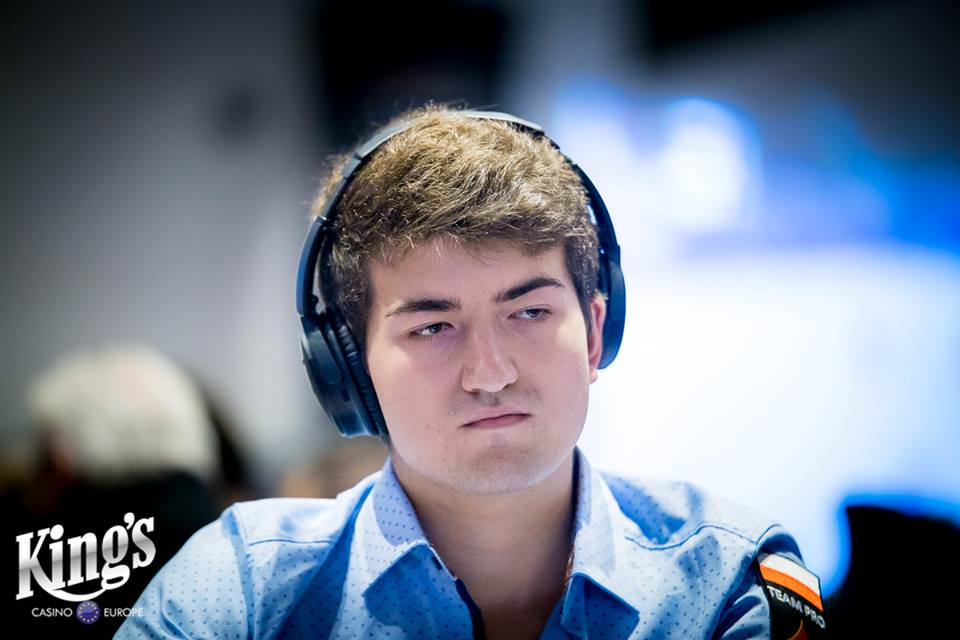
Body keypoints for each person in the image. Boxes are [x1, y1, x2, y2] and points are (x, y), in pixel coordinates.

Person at [117, 107, 827, 639]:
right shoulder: (240, 585)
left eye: (529, 312)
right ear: (350, 370)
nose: (489, 373)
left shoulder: (734, 575)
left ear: (594, 334)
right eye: (432, 327)